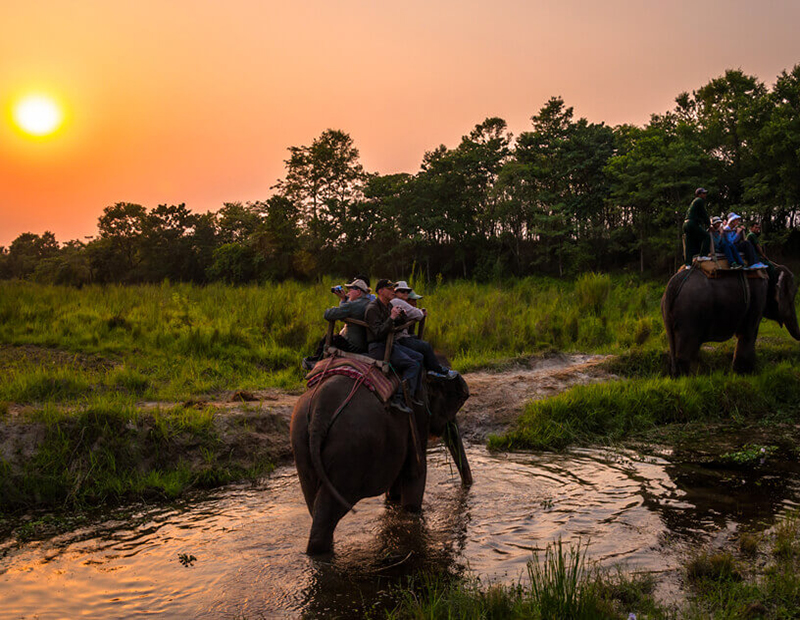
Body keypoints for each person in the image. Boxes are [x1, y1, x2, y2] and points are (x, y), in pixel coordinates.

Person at [364, 279, 424, 413]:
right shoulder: (372, 308)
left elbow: (396, 324)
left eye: (393, 289)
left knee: (419, 357)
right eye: (389, 289)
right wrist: (391, 318)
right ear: (380, 291)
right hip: (378, 347)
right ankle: (399, 398)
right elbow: (378, 333)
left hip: (390, 344)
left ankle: (413, 394)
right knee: (412, 364)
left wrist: (401, 316)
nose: (393, 291)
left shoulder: (388, 306)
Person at [391, 281, 457, 378]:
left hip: (399, 336)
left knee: (418, 342)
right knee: (426, 346)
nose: (405, 293)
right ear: (395, 292)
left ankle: (432, 368)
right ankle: (436, 370)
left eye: (407, 291)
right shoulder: (397, 302)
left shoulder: (395, 302)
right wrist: (421, 312)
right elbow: (417, 314)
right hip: (399, 338)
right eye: (402, 291)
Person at [302, 279, 371, 370]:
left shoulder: (354, 305)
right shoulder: (368, 302)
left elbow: (328, 314)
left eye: (350, 290)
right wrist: (344, 299)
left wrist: (341, 303)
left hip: (353, 345)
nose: (348, 293)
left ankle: (315, 362)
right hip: (364, 344)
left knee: (327, 339)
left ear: (358, 292)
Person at [683, 188, 712, 267]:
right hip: (692, 223)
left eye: (705, 193)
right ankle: (703, 255)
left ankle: (688, 264)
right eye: (703, 193)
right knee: (706, 236)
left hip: (686, 224)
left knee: (689, 244)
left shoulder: (693, 203)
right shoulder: (699, 200)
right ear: (699, 194)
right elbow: (704, 214)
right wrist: (709, 225)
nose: (705, 195)